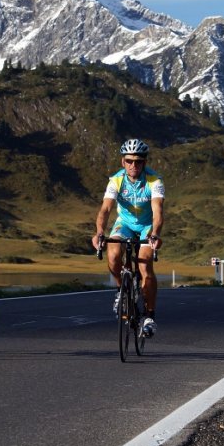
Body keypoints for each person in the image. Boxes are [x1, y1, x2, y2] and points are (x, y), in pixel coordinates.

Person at [91, 139, 164, 337]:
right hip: (124, 224)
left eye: (138, 161)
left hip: (147, 227)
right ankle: (120, 291)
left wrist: (155, 234)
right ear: (123, 162)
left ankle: (149, 314)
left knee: (144, 264)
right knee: (113, 255)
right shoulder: (116, 180)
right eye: (129, 161)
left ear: (144, 163)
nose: (134, 165)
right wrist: (99, 232)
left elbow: (158, 212)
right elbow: (105, 209)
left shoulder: (154, 181)